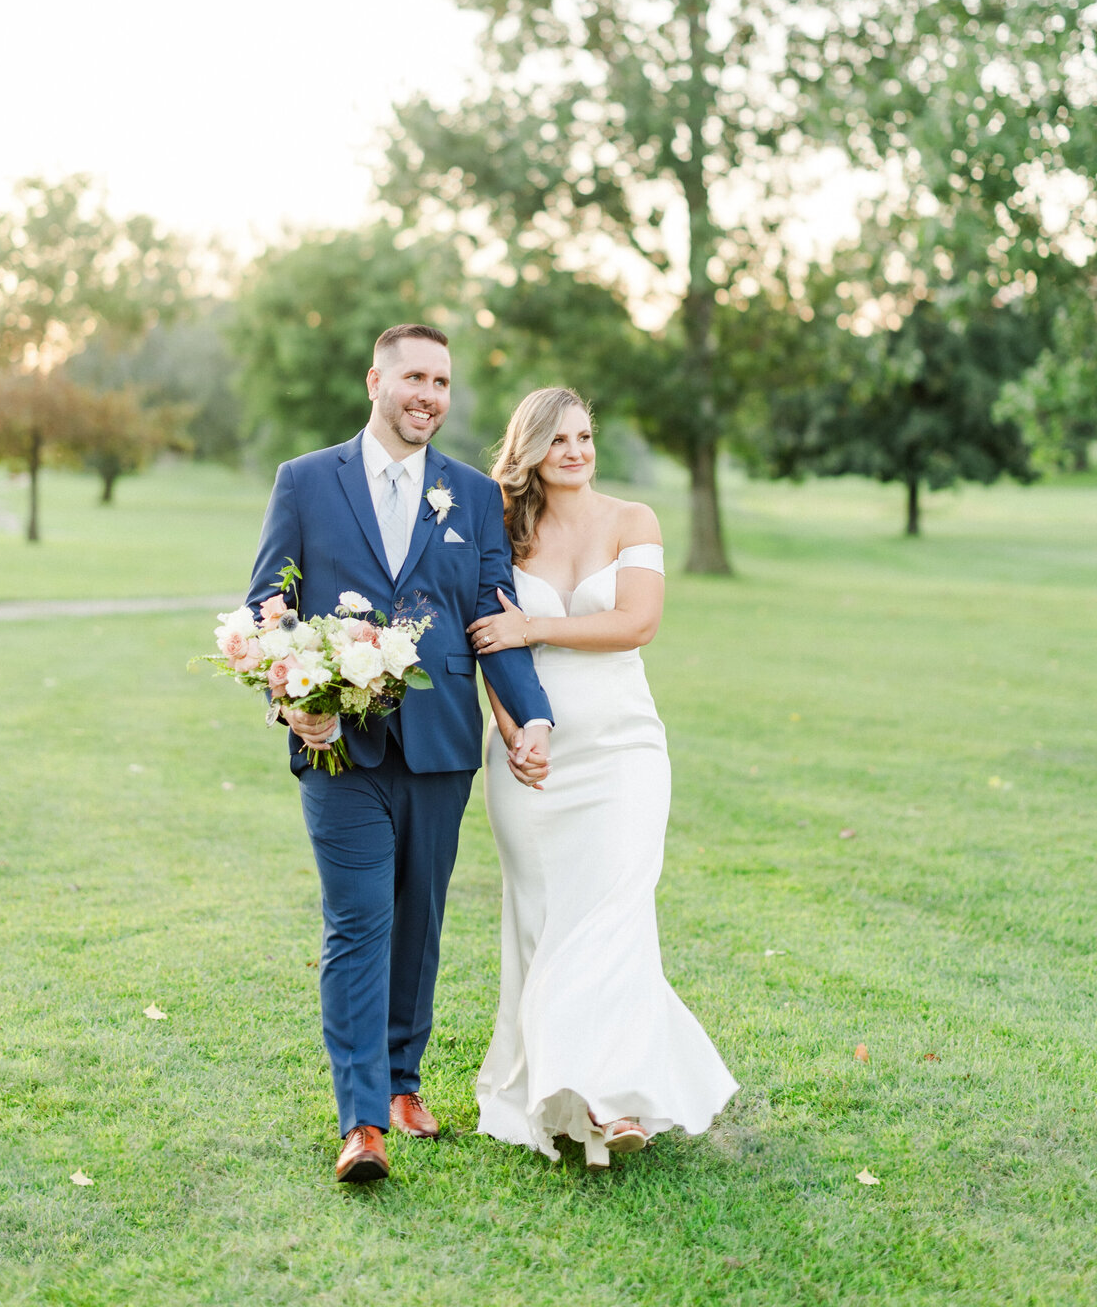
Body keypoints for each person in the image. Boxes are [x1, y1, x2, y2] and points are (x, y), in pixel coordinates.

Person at [246, 325, 553, 1184]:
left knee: (420, 917)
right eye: (415, 377)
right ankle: (362, 1122)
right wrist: (294, 703)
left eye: (442, 382)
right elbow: (271, 603)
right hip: (338, 746)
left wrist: (532, 718)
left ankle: (404, 1080)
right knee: (357, 922)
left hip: (442, 741)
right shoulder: (306, 481)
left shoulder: (474, 496)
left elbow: (494, 617)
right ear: (375, 380)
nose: (429, 395)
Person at [468, 386, 738, 1167]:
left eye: (584, 436)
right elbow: (488, 639)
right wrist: (513, 732)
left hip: (622, 748)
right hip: (531, 756)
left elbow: (636, 622)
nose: (576, 452)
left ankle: (618, 1098)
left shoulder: (633, 521)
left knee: (615, 910)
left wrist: (534, 624)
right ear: (529, 451)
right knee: (543, 918)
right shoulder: (502, 530)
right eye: (558, 440)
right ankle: (566, 1091)